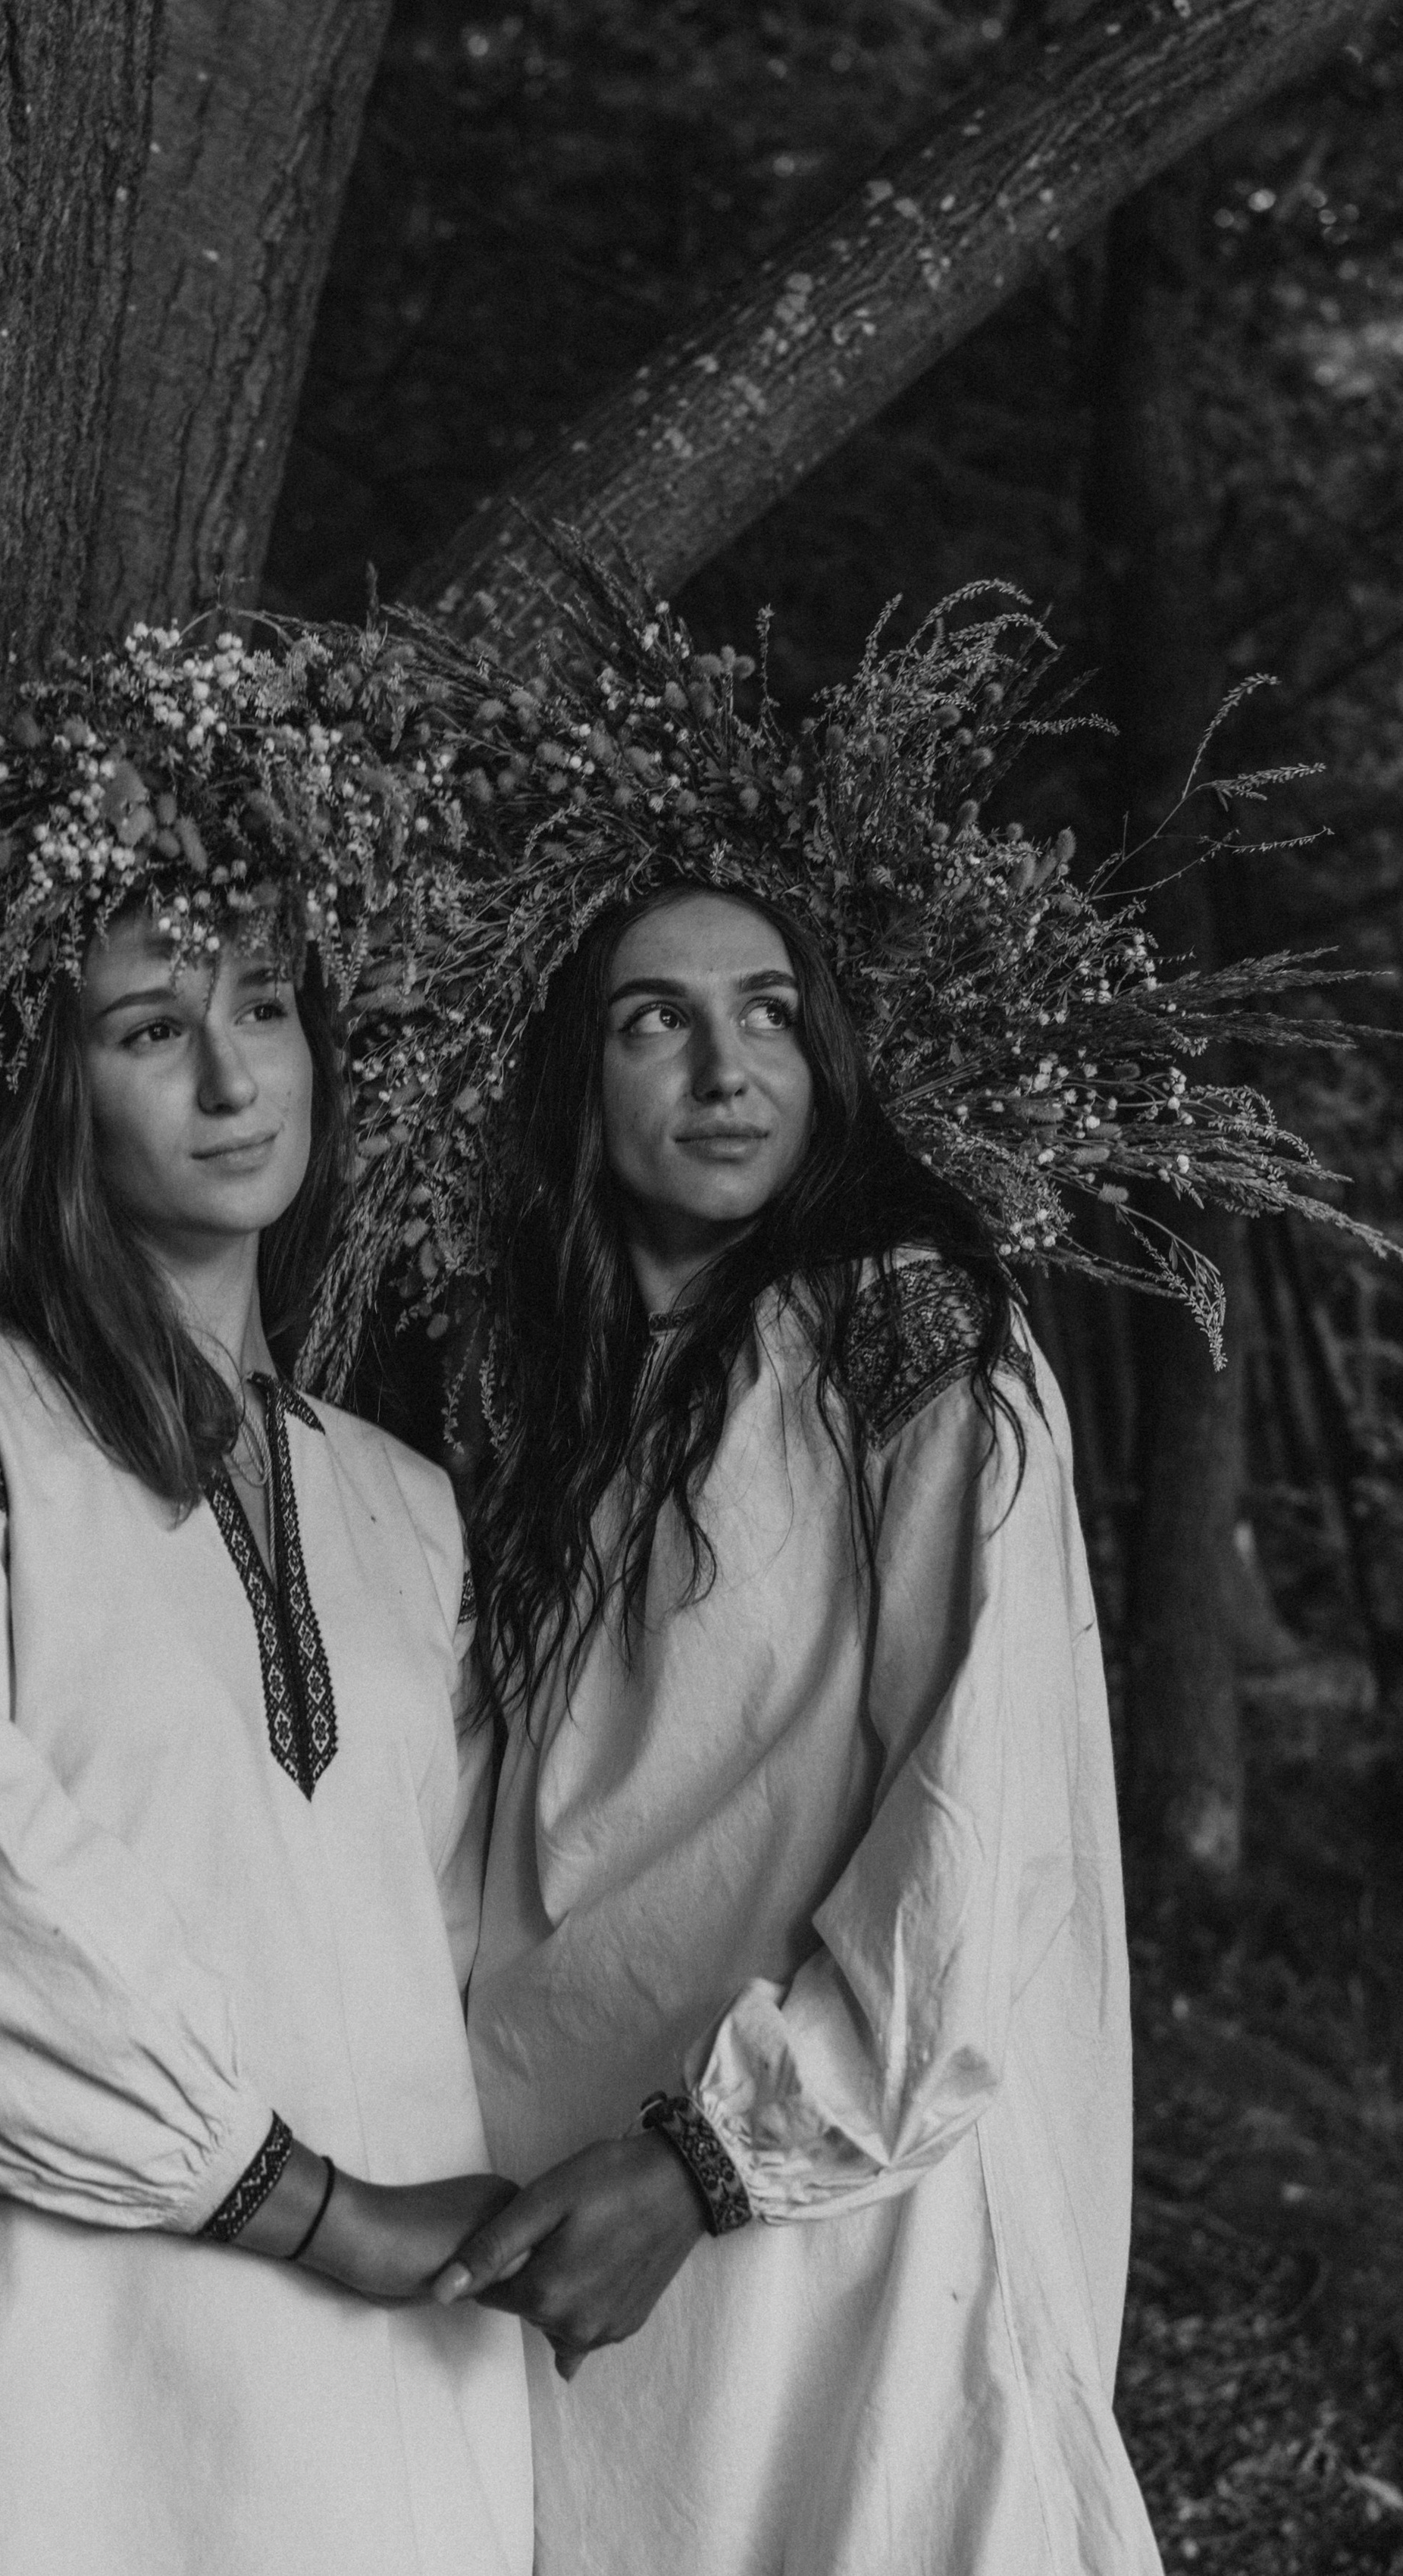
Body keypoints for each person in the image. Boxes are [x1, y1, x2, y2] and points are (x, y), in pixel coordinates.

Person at [0, 622, 531, 2576]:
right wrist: (303, 2202)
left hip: (393, 2387)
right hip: (61, 2374)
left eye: (263, 1003)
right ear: (48, 1085)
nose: (234, 1074)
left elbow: (455, 1944)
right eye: (152, 1028)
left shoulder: (404, 1507)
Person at [424, 883, 1163, 2573]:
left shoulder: (903, 1342)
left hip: (822, 2205)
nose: (721, 1064)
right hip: (548, 2182)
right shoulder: (523, 1391)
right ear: (573, 1076)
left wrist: (707, 2161)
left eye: (766, 1012)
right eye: (652, 1019)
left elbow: (973, 1824)